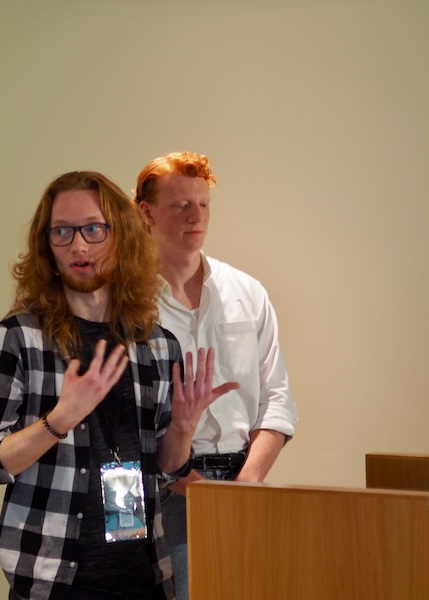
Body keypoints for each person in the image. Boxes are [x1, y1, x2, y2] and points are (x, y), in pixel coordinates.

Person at [0, 171, 238, 600]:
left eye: (93, 229)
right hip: (53, 581)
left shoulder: (155, 345)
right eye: (62, 232)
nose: (78, 245)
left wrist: (184, 427)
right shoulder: (17, 339)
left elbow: (167, 469)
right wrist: (60, 419)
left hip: (146, 578)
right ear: (46, 245)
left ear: (123, 236)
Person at [134, 152, 298, 598]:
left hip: (245, 484)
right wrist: (190, 484)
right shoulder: (126, 303)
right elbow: (120, 423)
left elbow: (278, 400)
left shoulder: (247, 293)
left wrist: (246, 486)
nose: (196, 216)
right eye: (180, 205)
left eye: (203, 204)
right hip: (162, 491)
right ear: (146, 213)